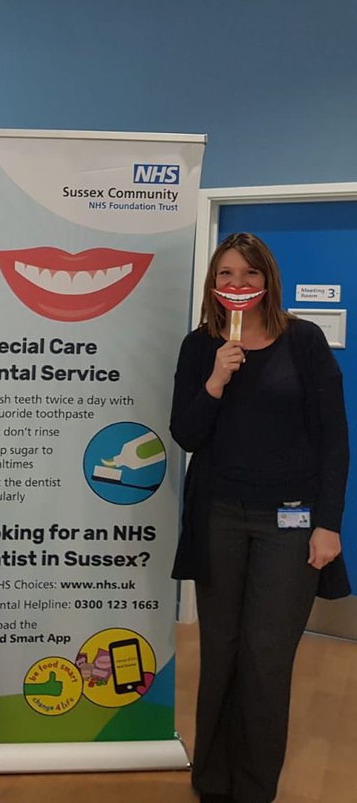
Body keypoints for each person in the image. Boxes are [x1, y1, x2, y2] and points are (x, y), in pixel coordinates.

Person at [169, 232, 348, 803]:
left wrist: (328, 521)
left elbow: (334, 439)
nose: (237, 285)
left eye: (248, 274)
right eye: (225, 275)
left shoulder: (305, 342)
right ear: (212, 285)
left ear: (268, 280)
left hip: (290, 522)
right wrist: (217, 380)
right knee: (220, 651)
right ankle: (211, 780)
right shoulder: (199, 346)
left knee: (266, 658)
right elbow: (186, 434)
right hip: (219, 515)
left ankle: (252, 788)